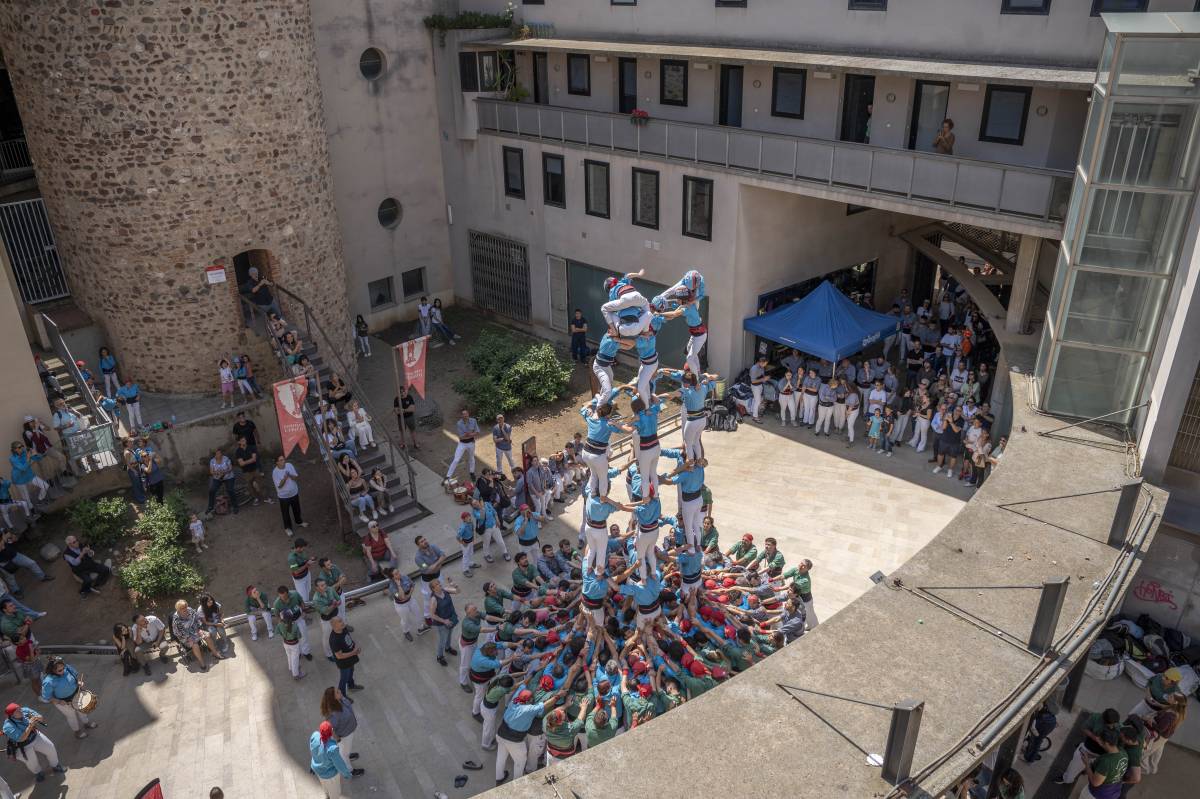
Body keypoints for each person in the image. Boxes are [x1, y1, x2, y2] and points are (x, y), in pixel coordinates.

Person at [3, 702, 66, 782]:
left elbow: (41, 718)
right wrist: (30, 725)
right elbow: (21, 738)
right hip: (22, 745)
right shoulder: (8, 726)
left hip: (35, 736)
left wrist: (37, 718)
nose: (21, 711)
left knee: (50, 748)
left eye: (19, 708)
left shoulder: (25, 710)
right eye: (17, 711)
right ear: (12, 716)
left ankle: (55, 766)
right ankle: (38, 772)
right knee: (31, 761)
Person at [40, 657, 98, 738]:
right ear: (52, 670)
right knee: (71, 717)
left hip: (77, 695)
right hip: (63, 703)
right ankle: (77, 731)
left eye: (63, 668)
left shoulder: (67, 668)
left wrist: (78, 682)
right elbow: (46, 696)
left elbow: (75, 677)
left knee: (82, 711)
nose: (63, 671)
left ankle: (86, 723)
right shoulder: (48, 681)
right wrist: (58, 701)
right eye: (60, 670)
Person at [322, 686, 364, 778]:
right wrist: (337, 738)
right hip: (344, 735)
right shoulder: (333, 714)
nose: (340, 691)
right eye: (337, 692)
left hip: (348, 731)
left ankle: (347, 755)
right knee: (344, 753)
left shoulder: (340, 700)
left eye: (338, 690)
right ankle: (349, 771)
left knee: (345, 750)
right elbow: (330, 729)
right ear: (333, 698)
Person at [171, 599, 222, 671]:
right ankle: (201, 662)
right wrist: (188, 637)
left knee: (207, 636)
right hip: (185, 636)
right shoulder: (176, 619)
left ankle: (215, 653)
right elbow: (177, 632)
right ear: (178, 609)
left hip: (196, 630)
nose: (185, 609)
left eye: (185, 606)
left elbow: (197, 619)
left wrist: (199, 629)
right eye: (182, 608)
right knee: (195, 644)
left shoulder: (190, 610)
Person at [309, 720, 353, 798]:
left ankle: (327, 796)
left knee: (325, 788)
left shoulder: (314, 735)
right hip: (330, 776)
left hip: (318, 771)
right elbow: (340, 765)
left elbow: (313, 752)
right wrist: (347, 774)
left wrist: (312, 766)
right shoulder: (332, 748)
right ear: (331, 731)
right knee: (335, 794)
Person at [273, 455, 307, 537]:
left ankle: (299, 522)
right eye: (281, 460)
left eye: (283, 459)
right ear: (277, 462)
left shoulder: (289, 465)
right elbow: (279, 486)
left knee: (297, 509)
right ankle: (287, 528)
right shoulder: (275, 472)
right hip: (284, 497)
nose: (283, 461)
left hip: (294, 493)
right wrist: (285, 478)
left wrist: (290, 476)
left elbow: (296, 477)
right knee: (285, 513)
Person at [429, 577, 461, 666]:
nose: (439, 585)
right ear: (433, 589)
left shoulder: (445, 590)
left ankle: (448, 648)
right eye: (437, 584)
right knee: (442, 640)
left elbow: (458, 591)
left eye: (439, 583)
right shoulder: (434, 599)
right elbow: (432, 615)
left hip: (451, 618)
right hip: (442, 623)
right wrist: (444, 621)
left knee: (449, 634)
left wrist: (454, 585)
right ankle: (439, 656)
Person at [329, 617, 364, 695]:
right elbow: (339, 656)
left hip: (351, 657)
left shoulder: (343, 628)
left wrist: (355, 646)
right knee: (344, 679)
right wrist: (354, 652)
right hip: (344, 663)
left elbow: (349, 638)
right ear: (334, 625)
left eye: (341, 620)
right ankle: (342, 696)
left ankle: (351, 686)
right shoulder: (334, 640)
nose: (342, 622)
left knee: (351, 671)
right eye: (339, 621)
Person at [385, 566, 421, 642]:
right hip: (401, 605)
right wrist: (399, 585)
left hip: (410, 600)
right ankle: (406, 631)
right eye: (396, 574)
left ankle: (420, 627)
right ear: (392, 578)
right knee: (405, 619)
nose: (399, 574)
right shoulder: (392, 587)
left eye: (398, 572)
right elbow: (401, 597)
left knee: (417, 613)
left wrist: (409, 595)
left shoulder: (405, 577)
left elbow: (412, 585)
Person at [446, 408, 481, 484]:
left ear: (468, 414)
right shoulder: (459, 423)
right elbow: (461, 437)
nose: (465, 416)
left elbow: (478, 432)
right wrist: (471, 435)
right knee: (456, 459)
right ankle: (448, 476)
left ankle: (472, 473)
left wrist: (469, 434)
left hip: (471, 443)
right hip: (462, 444)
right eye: (463, 414)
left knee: (471, 458)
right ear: (461, 416)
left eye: (466, 414)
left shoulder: (473, 421)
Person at [234, 434, 269, 506]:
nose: (244, 441)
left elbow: (254, 459)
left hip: (255, 469)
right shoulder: (238, 452)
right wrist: (250, 460)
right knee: (250, 487)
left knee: (261, 484)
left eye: (244, 440)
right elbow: (241, 464)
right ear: (239, 442)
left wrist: (245, 462)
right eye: (242, 441)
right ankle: (256, 498)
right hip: (246, 472)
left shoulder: (251, 447)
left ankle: (266, 497)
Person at [205, 448, 238, 518]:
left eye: (220, 453)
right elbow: (211, 472)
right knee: (212, 490)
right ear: (214, 455)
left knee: (230, 490)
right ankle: (210, 507)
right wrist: (217, 473)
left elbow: (230, 468)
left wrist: (224, 472)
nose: (219, 455)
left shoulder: (226, 459)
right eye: (217, 454)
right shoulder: (212, 461)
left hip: (228, 477)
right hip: (218, 478)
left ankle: (235, 506)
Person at [276, 607, 307, 680]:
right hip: (294, 644)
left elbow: (278, 632)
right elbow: (299, 636)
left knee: (289, 655)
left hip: (285, 643)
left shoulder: (280, 624)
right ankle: (296, 674)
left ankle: (291, 667)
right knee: (295, 659)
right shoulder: (295, 625)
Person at [393, 385, 420, 450]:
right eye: (400, 392)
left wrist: (403, 410)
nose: (402, 393)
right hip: (401, 418)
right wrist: (407, 409)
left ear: (405, 391)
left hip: (410, 417)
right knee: (402, 431)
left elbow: (412, 409)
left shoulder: (409, 397)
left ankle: (415, 443)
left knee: (412, 430)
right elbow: (396, 411)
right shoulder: (396, 399)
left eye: (403, 391)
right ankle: (403, 444)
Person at [748, 355, 768, 423]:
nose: (765, 365)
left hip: (760, 385)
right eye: (765, 364)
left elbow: (762, 375)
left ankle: (752, 412)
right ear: (761, 362)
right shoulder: (754, 369)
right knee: (758, 401)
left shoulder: (761, 367)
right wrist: (763, 379)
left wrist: (765, 378)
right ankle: (755, 417)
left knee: (755, 400)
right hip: (755, 386)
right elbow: (753, 381)